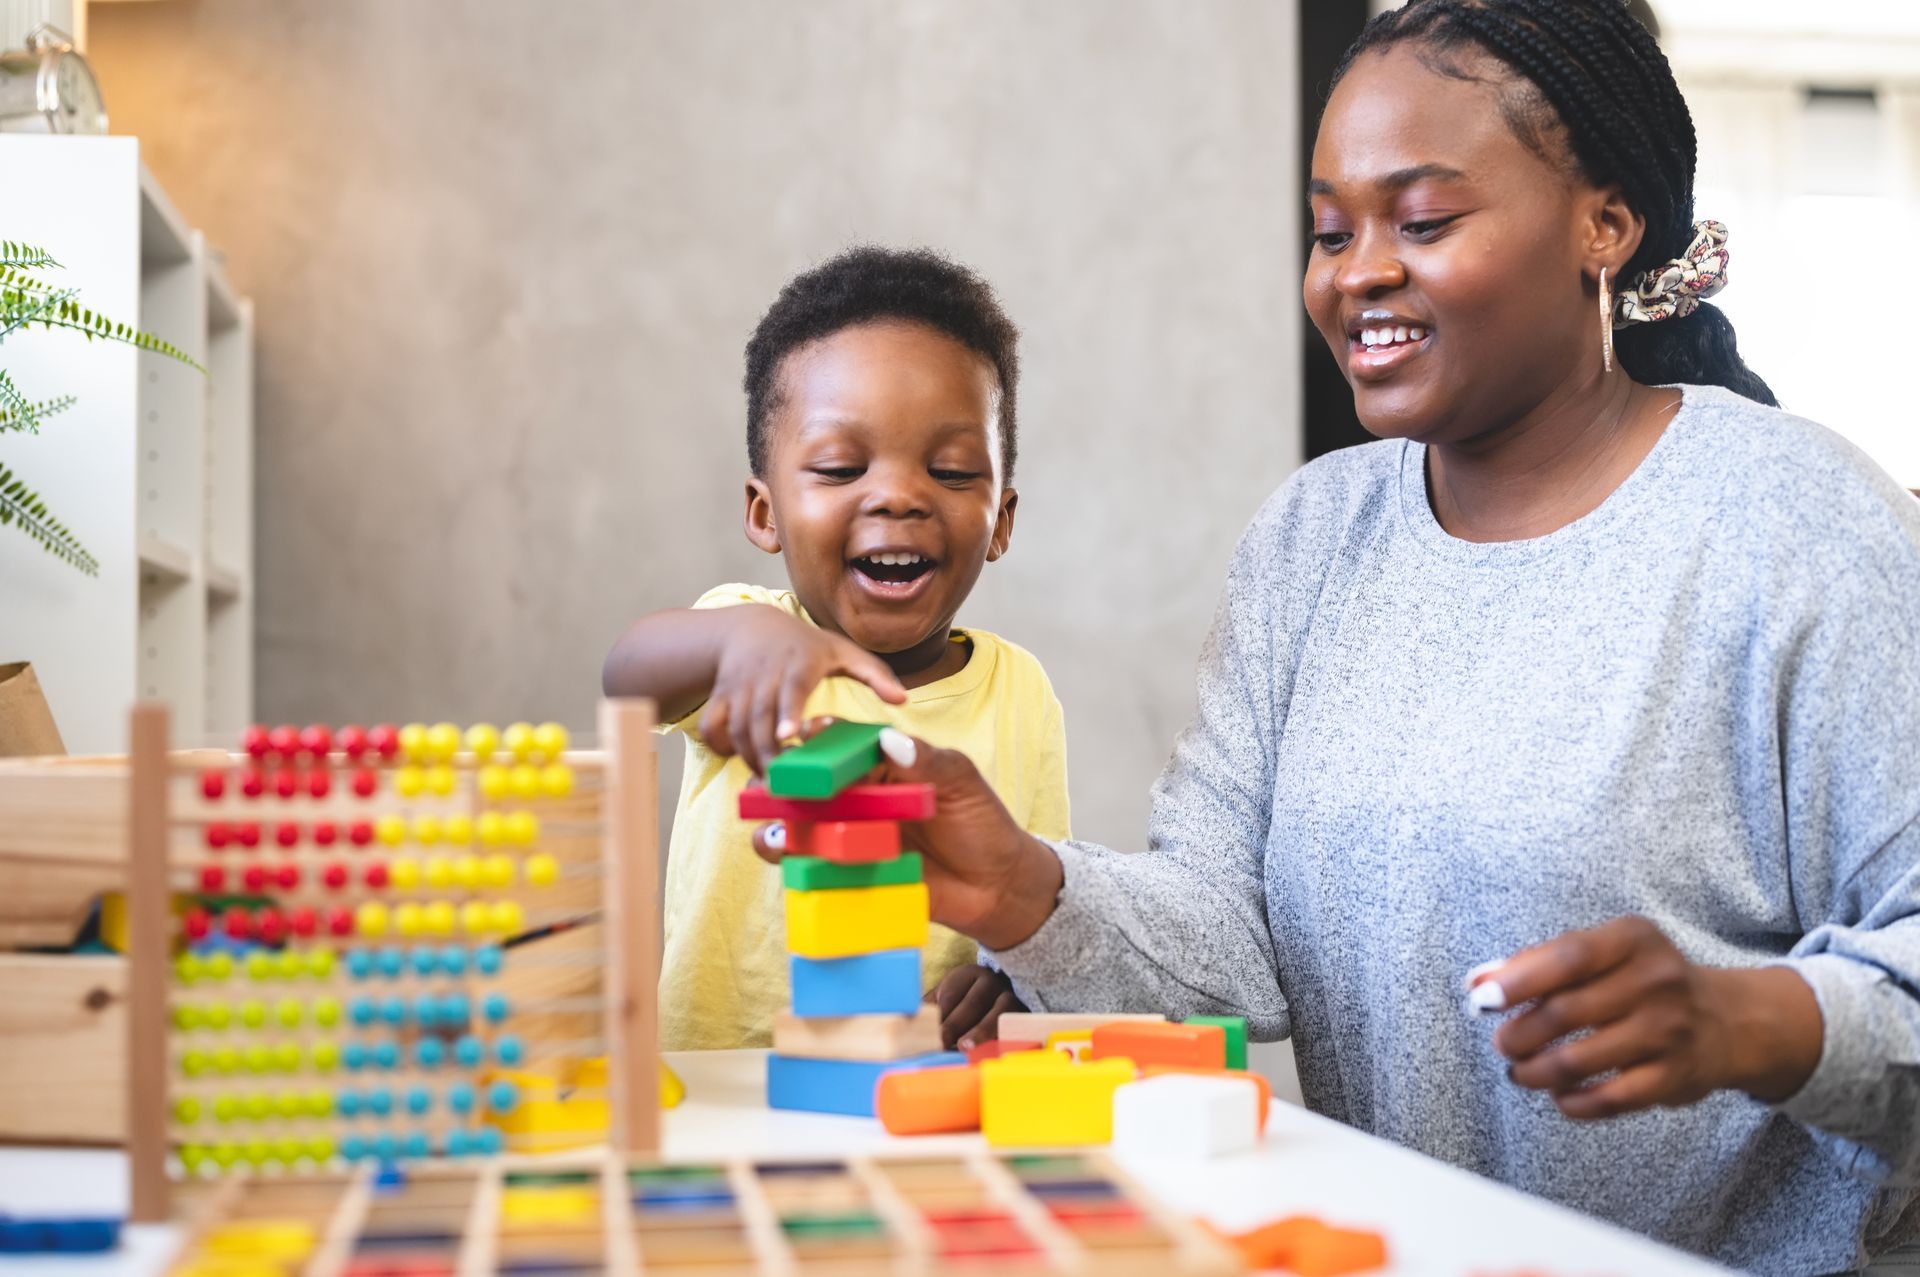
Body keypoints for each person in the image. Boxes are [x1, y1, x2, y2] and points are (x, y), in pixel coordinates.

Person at [754, 4, 1920, 1273]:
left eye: (1422, 221)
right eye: (1328, 230)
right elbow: (1229, 942)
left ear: (1605, 222)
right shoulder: (1315, 536)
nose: (1355, 270)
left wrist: (1753, 1018)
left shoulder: (1796, 525)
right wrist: (1027, 886)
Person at [603, 246, 1069, 1053]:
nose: (898, 494)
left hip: (912, 1091)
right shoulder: (742, 635)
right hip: (718, 1087)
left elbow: (1040, 899)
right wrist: (736, 641)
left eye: (953, 471)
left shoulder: (1021, 691)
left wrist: (1009, 980)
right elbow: (625, 676)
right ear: (764, 511)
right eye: (840, 466)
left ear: (1001, 519)